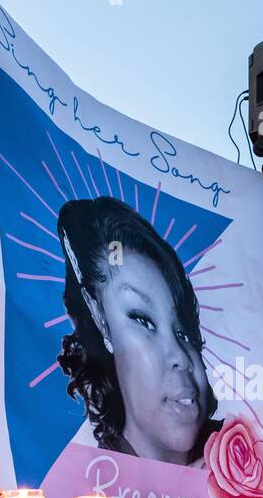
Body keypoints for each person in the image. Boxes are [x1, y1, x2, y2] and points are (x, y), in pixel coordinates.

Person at [57, 197, 219, 466]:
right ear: (101, 319)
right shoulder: (86, 490)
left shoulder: (251, 459)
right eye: (142, 320)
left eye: (184, 332)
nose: (181, 356)